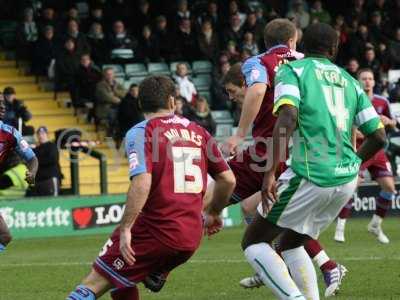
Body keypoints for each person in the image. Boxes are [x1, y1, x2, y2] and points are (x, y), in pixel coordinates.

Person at [241, 23, 386, 300]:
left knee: (253, 241)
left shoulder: (292, 70)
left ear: (302, 46)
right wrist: (353, 164)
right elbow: (378, 137)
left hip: (310, 173)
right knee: (291, 242)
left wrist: (269, 172)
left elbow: (287, 118)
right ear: (334, 49)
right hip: (345, 180)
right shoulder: (350, 81)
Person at [66, 75, 235, 300]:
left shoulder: (141, 131)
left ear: (140, 104)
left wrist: (126, 228)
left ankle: (153, 266)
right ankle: (157, 270)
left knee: (93, 283)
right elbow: (228, 180)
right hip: (192, 236)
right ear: (172, 102)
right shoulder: (199, 132)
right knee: (120, 279)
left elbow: (142, 181)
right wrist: (213, 212)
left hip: (157, 230)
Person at [222, 61, 347, 297]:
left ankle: (327, 265)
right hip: (287, 158)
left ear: (245, 83)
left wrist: (240, 139)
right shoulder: (275, 90)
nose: (231, 98)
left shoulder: (268, 92)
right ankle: (274, 261)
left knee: (283, 220)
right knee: (252, 208)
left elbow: (284, 126)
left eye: (232, 91)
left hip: (291, 160)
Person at [334, 68, 397, 244]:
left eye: (370, 78)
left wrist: (388, 122)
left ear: (374, 82)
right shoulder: (352, 99)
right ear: (358, 81)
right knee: (353, 185)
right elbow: (346, 127)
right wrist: (370, 131)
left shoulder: (382, 101)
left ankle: (375, 225)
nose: (367, 81)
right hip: (360, 150)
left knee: (389, 188)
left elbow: (392, 123)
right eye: (364, 78)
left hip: (378, 150)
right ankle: (340, 227)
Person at [0, 95, 38, 253]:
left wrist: (32, 172)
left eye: (3, 103)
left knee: (4, 236)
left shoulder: (10, 133)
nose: (2, 107)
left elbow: (32, 158)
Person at [31, 126, 62, 196]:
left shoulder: (52, 146)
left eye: (43, 133)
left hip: (50, 179)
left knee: (53, 202)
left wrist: (37, 162)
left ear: (47, 135)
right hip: (39, 181)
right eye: (39, 134)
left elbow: (52, 159)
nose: (41, 136)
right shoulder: (36, 149)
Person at [95, 68, 126, 133]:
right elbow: (107, 97)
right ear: (104, 75)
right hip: (105, 109)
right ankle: (110, 135)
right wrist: (119, 100)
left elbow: (125, 94)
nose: (109, 76)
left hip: (118, 108)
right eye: (107, 74)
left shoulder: (117, 84)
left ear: (114, 75)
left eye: (111, 74)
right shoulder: (100, 85)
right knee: (114, 117)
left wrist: (115, 91)